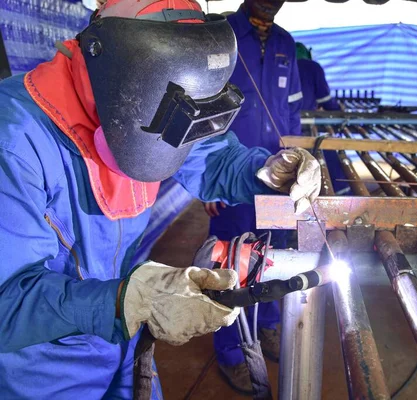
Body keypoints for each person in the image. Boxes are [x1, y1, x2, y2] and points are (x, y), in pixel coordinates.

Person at [0, 1, 320, 398]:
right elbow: (6, 303)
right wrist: (124, 300)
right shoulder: (13, 140)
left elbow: (211, 156)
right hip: (41, 368)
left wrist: (266, 173)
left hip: (126, 342)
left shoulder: (145, 99)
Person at [203, 0, 304, 394]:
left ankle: (268, 326)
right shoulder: (221, 35)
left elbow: (292, 114)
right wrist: (209, 179)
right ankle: (230, 351)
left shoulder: (285, 43)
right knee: (229, 262)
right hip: (230, 175)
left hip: (274, 176)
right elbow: (203, 110)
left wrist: (294, 163)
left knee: (274, 253)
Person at [295, 41, 348, 193]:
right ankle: (340, 193)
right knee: (327, 156)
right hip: (307, 123)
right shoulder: (312, 67)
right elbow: (326, 101)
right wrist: (339, 110)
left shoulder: (281, 66)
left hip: (286, 125)